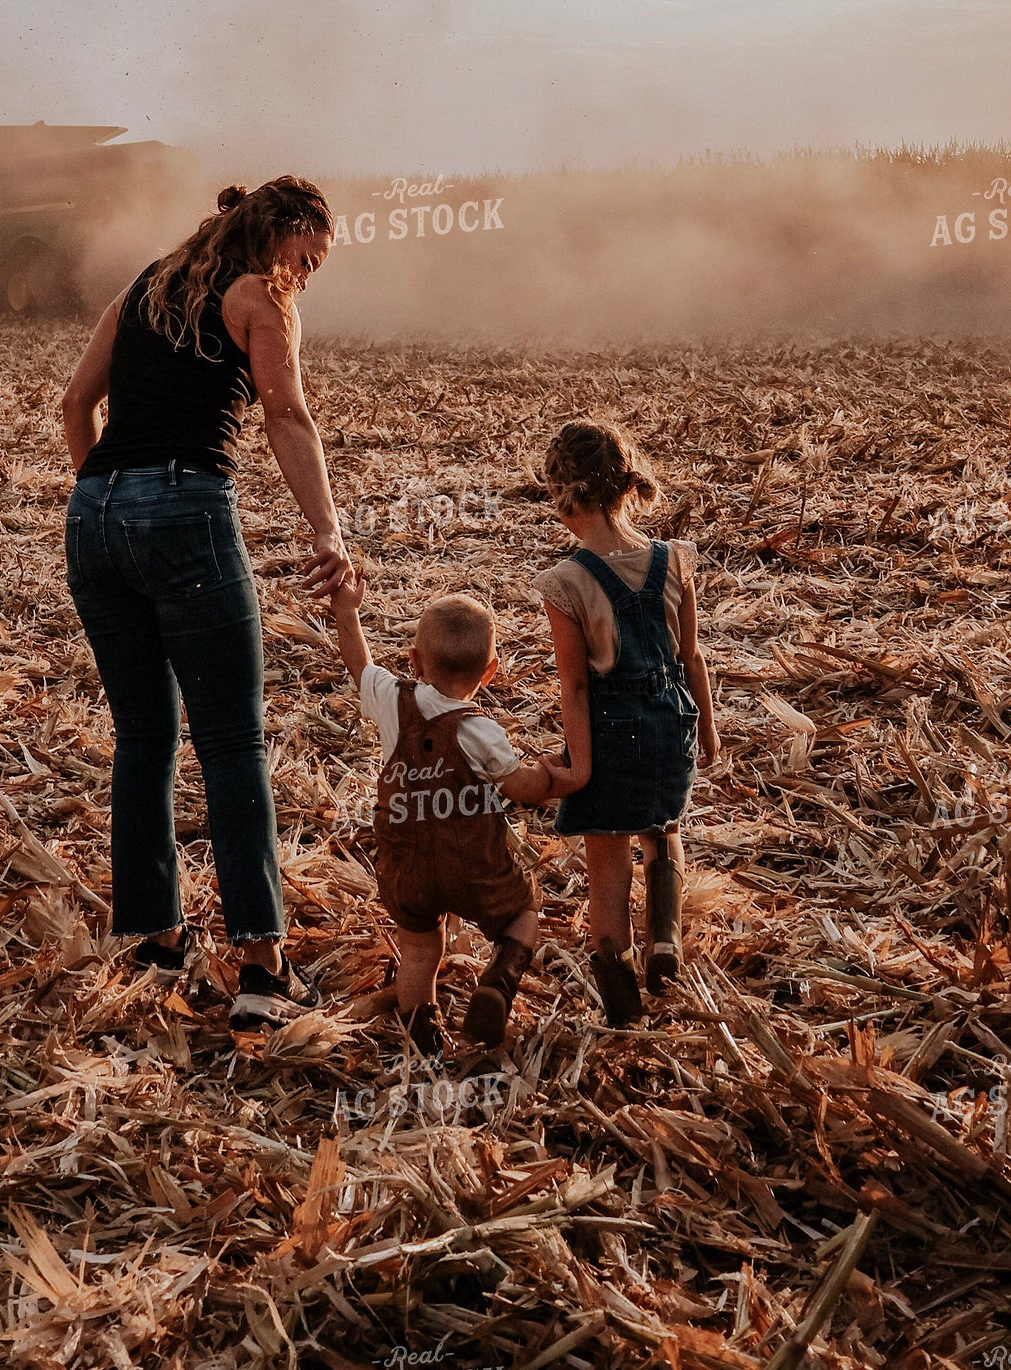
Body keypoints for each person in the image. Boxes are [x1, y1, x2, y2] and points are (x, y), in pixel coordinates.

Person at [60, 176, 354, 1030]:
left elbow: (77, 403)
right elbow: (286, 415)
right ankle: (262, 968)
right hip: (186, 510)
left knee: (144, 733)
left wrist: (105, 494)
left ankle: (153, 936)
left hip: (93, 521)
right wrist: (329, 534)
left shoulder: (144, 284)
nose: (310, 273)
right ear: (285, 232)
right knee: (232, 740)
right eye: (312, 254)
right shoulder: (261, 295)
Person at [535, 421, 719, 1026]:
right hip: (673, 721)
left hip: (612, 733)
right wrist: (709, 730)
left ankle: (621, 1002)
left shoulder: (566, 582)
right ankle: (665, 941)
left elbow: (576, 684)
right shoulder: (675, 560)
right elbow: (690, 657)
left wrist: (580, 766)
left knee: (607, 861)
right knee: (664, 827)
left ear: (563, 495)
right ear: (622, 486)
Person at [329, 574, 556, 1056]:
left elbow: (358, 661)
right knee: (523, 916)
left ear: (414, 662)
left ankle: (424, 1041)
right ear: (491, 671)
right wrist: (557, 774)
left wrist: (347, 610)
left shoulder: (394, 701)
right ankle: (497, 984)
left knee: (418, 949)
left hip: (405, 866)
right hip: (473, 865)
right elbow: (523, 788)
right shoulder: (480, 731)